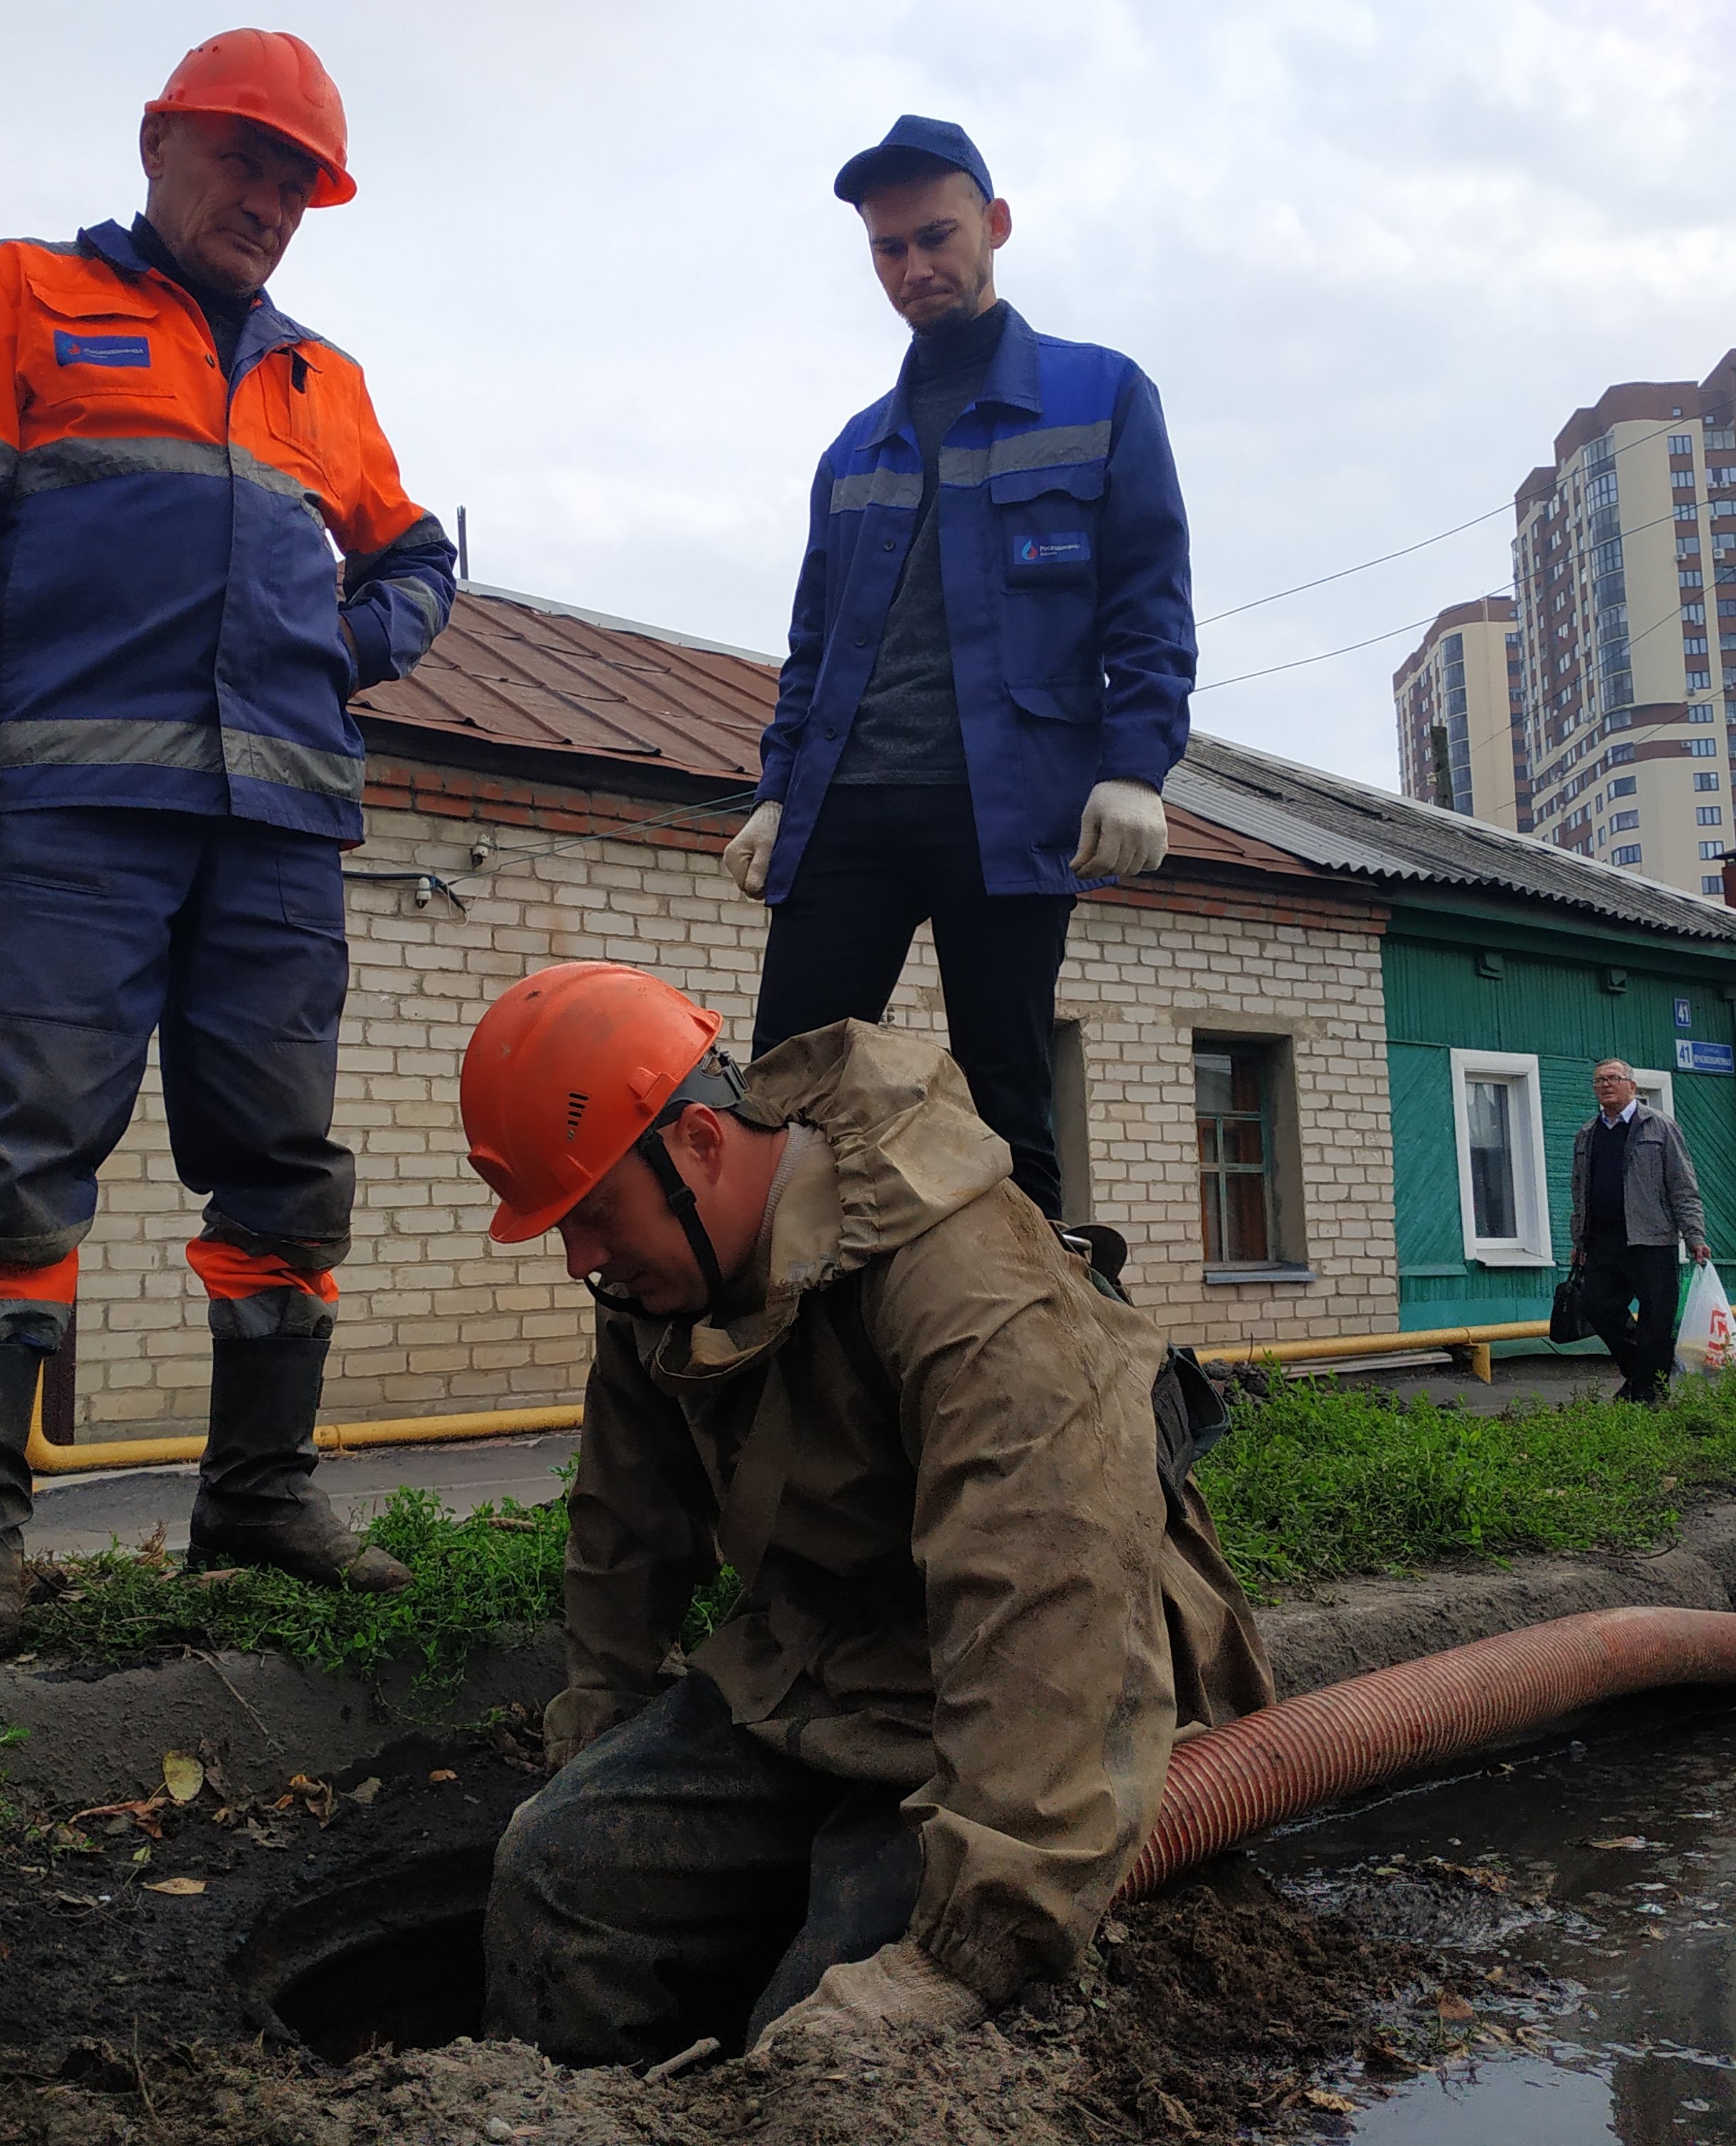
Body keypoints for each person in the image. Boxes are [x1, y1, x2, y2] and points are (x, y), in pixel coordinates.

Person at [0, 28, 455, 1661]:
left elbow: (416, 555)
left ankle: (256, 1496)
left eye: (293, 177)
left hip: (276, 834)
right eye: (241, 156)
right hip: (66, 818)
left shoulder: (322, 381)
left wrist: (356, 638)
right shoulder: (19, 296)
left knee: (283, 1166)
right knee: (14, 1156)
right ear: (157, 143)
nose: (265, 196)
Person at [458, 962, 1272, 2064]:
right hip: (823, 1655)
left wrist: (963, 1949)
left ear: (698, 1143)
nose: (579, 1258)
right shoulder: (655, 1284)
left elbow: (1052, 1597)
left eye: (595, 1214)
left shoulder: (972, 1280)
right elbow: (624, 1517)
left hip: (1034, 1679)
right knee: (556, 1873)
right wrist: (602, 1716)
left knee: (817, 2030)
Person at [723, 117, 1197, 1222]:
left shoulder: (1102, 395)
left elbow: (1149, 600)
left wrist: (1137, 767)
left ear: (995, 224)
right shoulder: (855, 447)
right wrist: (778, 793)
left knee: (1007, 1105)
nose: (914, 268)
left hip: (1010, 811)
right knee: (779, 1097)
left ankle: (1037, 1369)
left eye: (936, 237)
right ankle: (793, 1367)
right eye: (889, 250)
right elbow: (813, 646)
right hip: (846, 810)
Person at [1569, 1058, 1710, 1404]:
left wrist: (1695, 1236)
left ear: (1632, 1086)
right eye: (1598, 1081)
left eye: (1613, 1079)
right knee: (1595, 1305)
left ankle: (1648, 1393)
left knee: (1656, 1321)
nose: (1605, 1086)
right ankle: (1642, 1376)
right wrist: (1579, 1239)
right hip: (1603, 1242)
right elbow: (1579, 1190)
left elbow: (1682, 1185)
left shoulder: (1659, 1127)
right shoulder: (1588, 1133)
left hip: (1652, 1240)